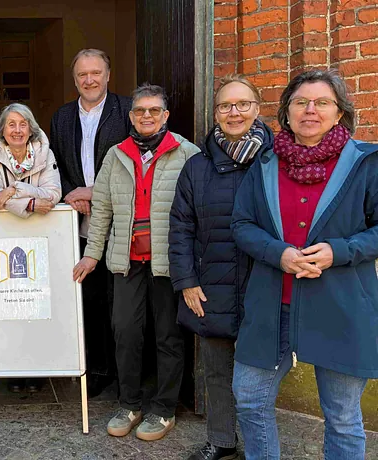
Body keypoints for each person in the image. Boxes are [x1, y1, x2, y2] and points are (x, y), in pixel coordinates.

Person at [231, 69, 378, 460]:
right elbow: (242, 224)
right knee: (249, 398)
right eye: (301, 102)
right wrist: (277, 253)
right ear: (287, 112)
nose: (310, 110)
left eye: (322, 102)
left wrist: (339, 251)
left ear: (339, 112)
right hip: (273, 303)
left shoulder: (366, 163)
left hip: (341, 304)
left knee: (342, 417)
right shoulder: (265, 163)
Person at [73, 83, 199, 441]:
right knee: (125, 332)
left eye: (154, 110)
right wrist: (92, 254)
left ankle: (164, 409)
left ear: (165, 115)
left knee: (168, 335)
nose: (147, 116)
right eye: (140, 110)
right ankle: (129, 403)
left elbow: (197, 210)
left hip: (168, 261)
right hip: (127, 259)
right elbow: (102, 209)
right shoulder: (117, 155)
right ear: (131, 116)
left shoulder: (187, 153)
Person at [168, 76, 273, 460]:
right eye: (226, 106)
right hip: (212, 283)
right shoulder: (197, 167)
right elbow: (181, 227)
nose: (234, 112)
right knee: (216, 369)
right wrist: (186, 280)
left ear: (257, 109)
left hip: (265, 283)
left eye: (243, 104)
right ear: (215, 114)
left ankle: (261, 446)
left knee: (259, 377)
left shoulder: (277, 162)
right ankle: (221, 440)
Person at [49, 48, 133, 397]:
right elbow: (54, 164)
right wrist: (73, 193)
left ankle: (128, 375)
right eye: (82, 74)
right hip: (80, 222)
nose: (89, 80)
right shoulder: (62, 117)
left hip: (122, 223)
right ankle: (98, 369)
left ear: (108, 75)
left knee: (124, 304)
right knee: (92, 300)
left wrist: (95, 192)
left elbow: (137, 165)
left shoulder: (128, 110)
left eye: (96, 73)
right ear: (75, 79)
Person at [0, 102, 61, 393]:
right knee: (10, 306)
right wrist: (29, 204)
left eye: (22, 124)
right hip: (4, 240)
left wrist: (14, 190)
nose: (17, 130)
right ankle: (13, 368)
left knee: (36, 304)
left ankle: (37, 367)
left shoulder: (45, 153)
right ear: (2, 130)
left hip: (40, 238)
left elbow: (53, 194)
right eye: (11, 124)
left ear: (31, 128)